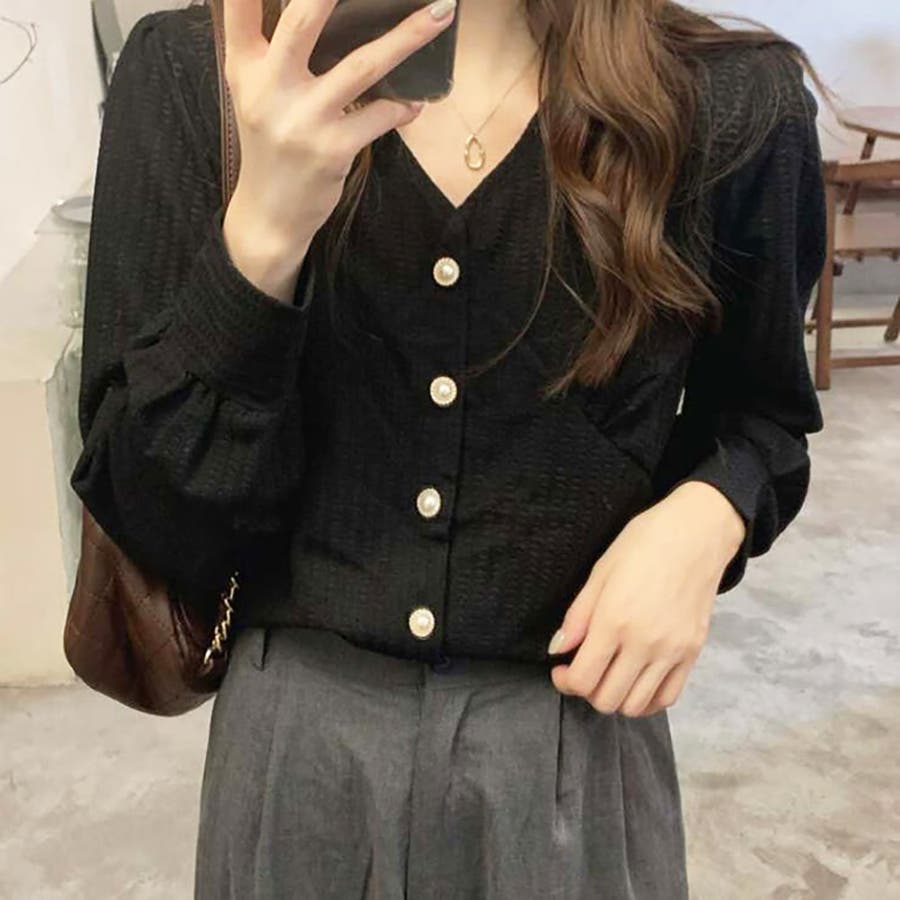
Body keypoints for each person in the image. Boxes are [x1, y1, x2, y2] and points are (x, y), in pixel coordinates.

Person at [69, 0, 829, 896]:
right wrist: (263, 239)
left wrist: (704, 517)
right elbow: (148, 509)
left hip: (575, 754)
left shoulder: (726, 100)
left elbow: (763, 415)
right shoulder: (194, 74)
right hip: (295, 761)